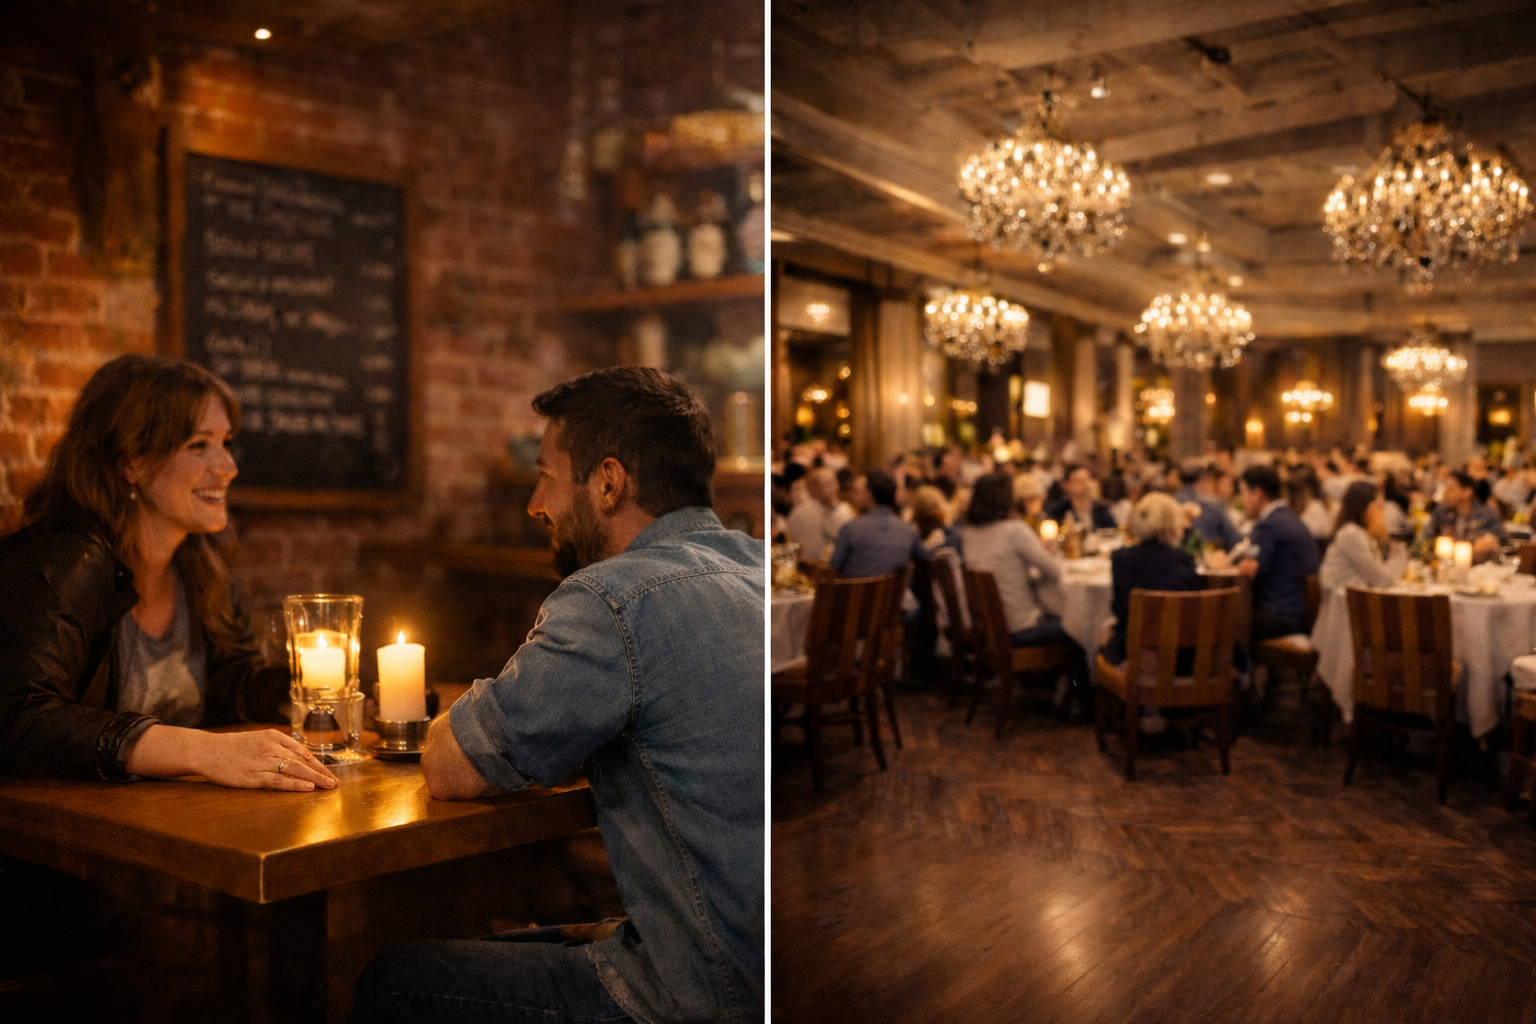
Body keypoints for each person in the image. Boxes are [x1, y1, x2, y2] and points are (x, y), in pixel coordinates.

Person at [354, 367, 762, 1024]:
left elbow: (451, 765)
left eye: (546, 476)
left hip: (699, 995)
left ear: (607, 482)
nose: (534, 505)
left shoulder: (612, 597)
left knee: (393, 980)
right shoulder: (754, 566)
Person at [0, 353, 335, 790]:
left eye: (226, 442)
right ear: (132, 462)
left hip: (170, 816)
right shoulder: (66, 561)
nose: (228, 467)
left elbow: (227, 687)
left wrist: (324, 687)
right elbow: (20, 720)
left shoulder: (200, 565)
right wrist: (200, 752)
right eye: (199, 445)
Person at [959, 473, 1089, 714]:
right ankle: (1080, 702)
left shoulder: (968, 533)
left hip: (990, 630)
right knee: (1079, 628)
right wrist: (1046, 552)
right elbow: (1053, 570)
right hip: (1019, 629)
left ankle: (1054, 686)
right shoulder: (1014, 530)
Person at [1102, 492, 1199, 667]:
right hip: (1181, 659)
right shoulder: (1184, 560)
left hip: (1137, 657)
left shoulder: (1121, 558)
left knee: (1105, 640)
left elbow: (1120, 610)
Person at [1237, 464, 1321, 641]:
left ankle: (1241, 668)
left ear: (1257, 494)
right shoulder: (1290, 517)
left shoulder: (1269, 525)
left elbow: (1249, 570)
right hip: (1300, 612)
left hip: (1280, 615)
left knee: (1221, 621)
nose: (1242, 499)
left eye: (1243, 492)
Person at [829, 468, 926, 578]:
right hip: (894, 594)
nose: (854, 496)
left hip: (855, 594)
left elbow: (835, 565)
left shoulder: (850, 529)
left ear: (868, 495)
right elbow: (923, 559)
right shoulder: (909, 530)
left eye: (858, 491)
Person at [1320, 481, 1409, 591]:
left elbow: (1383, 577)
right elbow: (1383, 581)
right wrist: (1400, 550)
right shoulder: (1351, 534)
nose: (1383, 513)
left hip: (1355, 603)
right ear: (1363, 508)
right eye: (1379, 506)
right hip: (1345, 605)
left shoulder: (1360, 533)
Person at [1428, 470, 1503, 563]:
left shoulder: (1487, 514)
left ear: (1468, 492)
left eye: (1452, 489)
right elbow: (1426, 538)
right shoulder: (1441, 512)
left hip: (1480, 569)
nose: (1446, 493)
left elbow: (1495, 544)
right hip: (1446, 566)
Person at [785, 466, 848, 562]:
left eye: (832, 483)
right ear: (812, 488)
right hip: (810, 568)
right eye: (826, 484)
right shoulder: (803, 511)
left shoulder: (841, 509)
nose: (831, 488)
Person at [1174, 461, 1241, 551]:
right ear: (1203, 481)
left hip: (1177, 559)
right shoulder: (1216, 504)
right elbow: (1233, 538)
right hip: (1211, 559)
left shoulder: (1171, 503)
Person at [1044, 464, 1117, 531]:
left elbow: (1114, 533)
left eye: (1087, 480)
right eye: (1080, 481)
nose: (1085, 485)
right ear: (1067, 485)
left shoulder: (1101, 510)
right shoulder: (1058, 511)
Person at [1286, 465, 1333, 540]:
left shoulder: (1316, 507)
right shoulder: (1299, 506)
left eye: (1296, 491)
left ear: (1308, 490)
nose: (1293, 496)